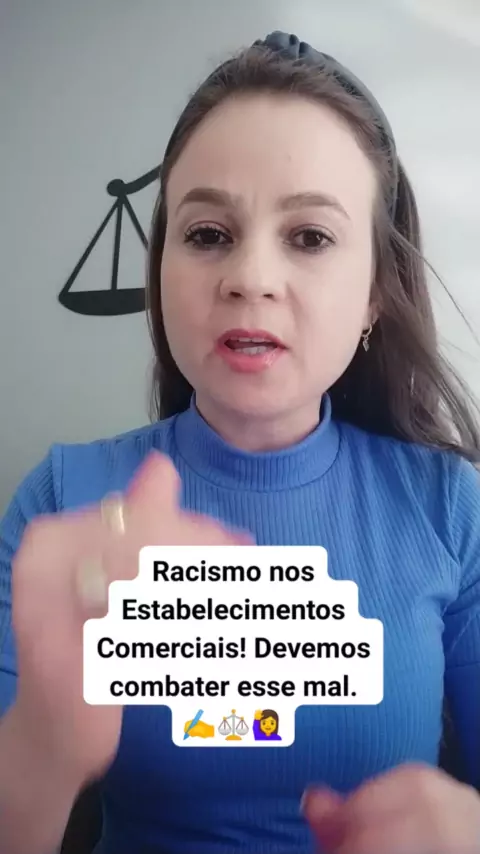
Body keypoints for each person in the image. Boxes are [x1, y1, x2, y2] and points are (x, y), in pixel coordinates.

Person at [0, 29, 479, 854]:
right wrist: (44, 745)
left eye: (310, 237)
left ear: (375, 293)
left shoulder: (452, 510)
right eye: (208, 235)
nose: (250, 278)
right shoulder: (62, 501)